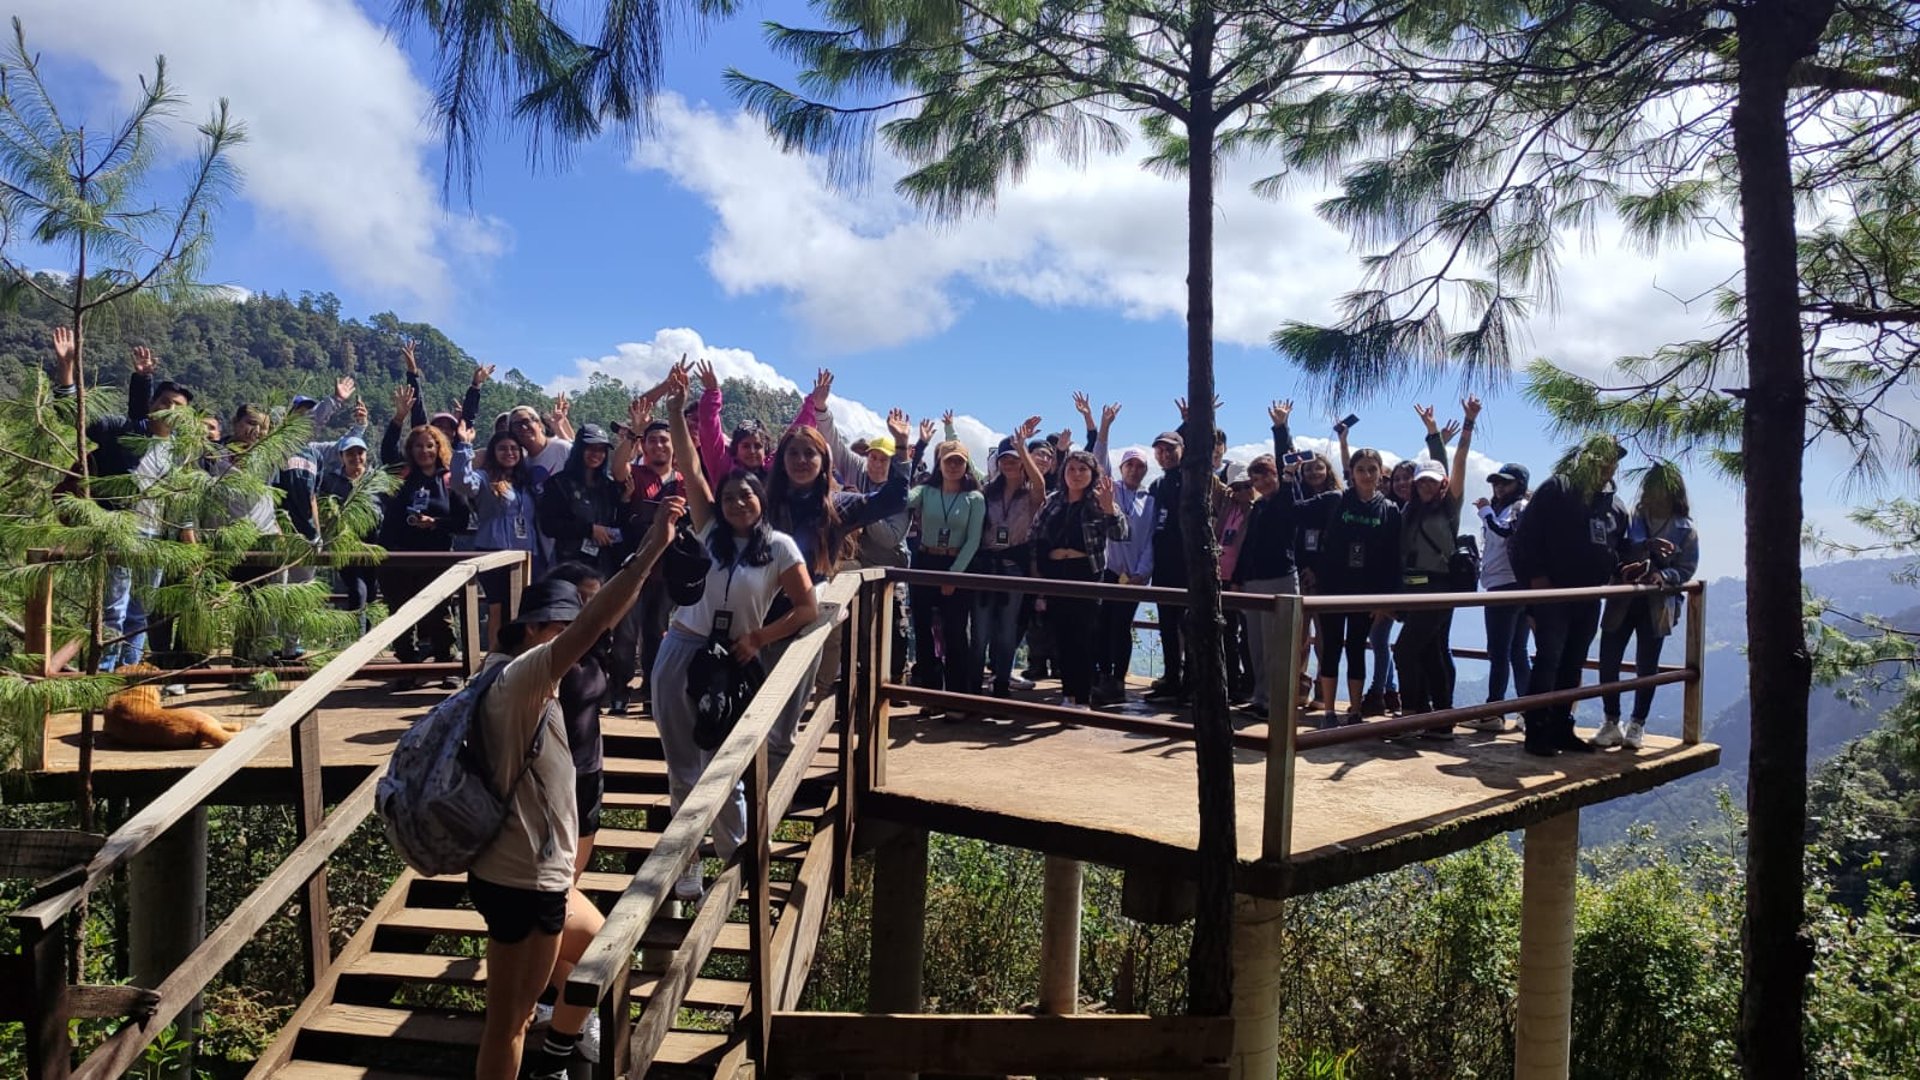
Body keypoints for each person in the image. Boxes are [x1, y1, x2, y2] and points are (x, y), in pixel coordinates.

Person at [467, 503, 679, 1080]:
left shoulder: (526, 678)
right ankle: (545, 1059)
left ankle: (558, 1052)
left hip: (540, 873)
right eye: (559, 628)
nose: (572, 638)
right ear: (532, 631)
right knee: (508, 1022)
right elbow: (598, 622)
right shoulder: (522, 677)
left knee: (601, 954)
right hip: (521, 880)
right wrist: (649, 553)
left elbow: (597, 628)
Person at [659, 380, 818, 901]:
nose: (737, 502)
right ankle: (686, 867)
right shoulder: (707, 527)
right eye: (729, 496)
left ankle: (739, 862)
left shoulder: (779, 547)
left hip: (734, 659)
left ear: (762, 498)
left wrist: (760, 637)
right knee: (682, 762)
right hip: (682, 647)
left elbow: (807, 608)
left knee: (724, 765)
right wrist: (676, 408)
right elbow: (687, 457)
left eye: (747, 494)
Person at [1509, 434, 1637, 757]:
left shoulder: (1616, 507)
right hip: (1553, 593)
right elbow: (1524, 538)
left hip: (1589, 597)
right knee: (1549, 658)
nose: (1606, 465)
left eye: (1612, 459)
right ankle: (1536, 730)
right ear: (1585, 458)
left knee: (1573, 662)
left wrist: (1631, 566)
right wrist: (1536, 580)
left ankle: (1561, 728)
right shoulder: (1557, 489)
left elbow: (1618, 551)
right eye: (1599, 458)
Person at [1593, 464, 1699, 749]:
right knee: (1608, 658)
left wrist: (1664, 575)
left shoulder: (1685, 530)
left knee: (1647, 666)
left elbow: (1686, 568)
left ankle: (1637, 723)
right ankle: (1611, 720)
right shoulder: (1633, 518)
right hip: (1623, 598)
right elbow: (1622, 549)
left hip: (1657, 604)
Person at [1392, 399, 1480, 736]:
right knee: (1429, 652)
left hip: (1439, 589)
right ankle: (1441, 719)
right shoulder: (1409, 512)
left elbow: (1456, 461)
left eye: (1432, 482)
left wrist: (1467, 423)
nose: (1426, 486)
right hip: (1413, 590)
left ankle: (1411, 715)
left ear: (1442, 485)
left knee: (1404, 651)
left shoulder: (1449, 509)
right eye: (1421, 482)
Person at [1303, 447, 1401, 727]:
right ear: (1352, 473)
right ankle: (1330, 711)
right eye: (1361, 469)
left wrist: (1385, 599)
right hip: (1332, 587)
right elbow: (1300, 517)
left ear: (1380, 472)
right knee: (1331, 646)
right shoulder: (1337, 500)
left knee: (1357, 647)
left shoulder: (1389, 510)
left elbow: (1393, 558)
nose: (1367, 475)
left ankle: (1355, 710)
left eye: (1372, 469)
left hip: (1366, 592)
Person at [1031, 451, 1128, 708]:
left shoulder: (1099, 502)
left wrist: (1110, 510)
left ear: (1092, 474)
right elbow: (1035, 535)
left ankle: (1083, 698)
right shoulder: (1053, 501)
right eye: (1071, 469)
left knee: (1083, 638)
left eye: (1082, 470)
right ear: (1063, 473)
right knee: (1061, 636)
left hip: (1085, 572)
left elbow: (1121, 534)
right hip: (1054, 573)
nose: (1076, 474)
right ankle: (1068, 695)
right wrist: (1038, 580)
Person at [378, 423, 470, 681]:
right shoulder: (403, 476)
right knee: (400, 612)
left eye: (430, 445)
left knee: (440, 611)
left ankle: (447, 665)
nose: (424, 451)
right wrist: (396, 420)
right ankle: (407, 668)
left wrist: (435, 524)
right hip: (400, 557)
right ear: (410, 449)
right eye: (418, 446)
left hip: (436, 558)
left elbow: (462, 522)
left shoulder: (450, 480)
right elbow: (387, 452)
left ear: (439, 447)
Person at [611, 400, 685, 714]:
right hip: (633, 566)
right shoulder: (637, 474)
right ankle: (619, 689)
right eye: (652, 440)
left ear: (673, 446)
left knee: (657, 632)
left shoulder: (683, 481)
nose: (658, 445)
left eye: (664, 440)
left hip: (667, 569)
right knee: (626, 632)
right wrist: (634, 433)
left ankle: (652, 690)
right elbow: (616, 469)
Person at [1236, 402, 1309, 720]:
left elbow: (1285, 460)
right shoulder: (1259, 507)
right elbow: (1247, 546)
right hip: (1254, 581)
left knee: (1278, 645)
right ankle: (1261, 696)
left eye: (1265, 477)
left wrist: (1281, 428)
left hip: (1280, 577)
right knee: (1256, 645)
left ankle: (1277, 701)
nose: (1262, 483)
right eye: (1256, 480)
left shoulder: (1287, 499)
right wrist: (1238, 577)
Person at [973, 419, 1048, 698]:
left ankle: (1001, 684)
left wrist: (1023, 448)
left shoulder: (1029, 495)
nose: (1009, 464)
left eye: (1014, 460)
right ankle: (972, 687)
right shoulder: (985, 493)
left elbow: (1040, 486)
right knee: (979, 632)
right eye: (1005, 459)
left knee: (1006, 632)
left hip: (1014, 568)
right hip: (985, 567)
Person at [906, 440, 986, 698]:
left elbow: (973, 540)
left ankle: (955, 696)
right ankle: (930, 694)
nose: (953, 466)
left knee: (955, 632)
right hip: (925, 561)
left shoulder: (975, 498)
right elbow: (903, 500)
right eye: (948, 460)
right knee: (922, 629)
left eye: (958, 461)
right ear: (939, 463)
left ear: (966, 466)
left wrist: (953, 574)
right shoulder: (926, 492)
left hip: (958, 565)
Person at [455, 425, 544, 651]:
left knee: (521, 608)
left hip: (525, 554)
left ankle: (518, 656)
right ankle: (495, 658)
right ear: (493, 452)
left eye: (514, 448)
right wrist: (465, 446)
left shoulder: (525, 482)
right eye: (502, 448)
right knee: (498, 607)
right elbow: (461, 483)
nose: (509, 452)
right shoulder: (484, 479)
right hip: (493, 551)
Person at [1468, 462, 1532, 732]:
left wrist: (1483, 511)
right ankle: (1530, 710)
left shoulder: (1517, 509)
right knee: (1517, 651)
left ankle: (1494, 711)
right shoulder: (1510, 508)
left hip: (1505, 586)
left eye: (1506, 482)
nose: (1499, 487)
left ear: (1520, 484)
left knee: (1499, 652)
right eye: (1496, 482)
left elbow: (1504, 531)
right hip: (1513, 586)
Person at [691, 358, 820, 486]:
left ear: (766, 449)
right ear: (736, 448)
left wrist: (813, 402)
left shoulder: (774, 468)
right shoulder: (723, 467)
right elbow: (709, 430)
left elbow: (796, 433)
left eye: (758, 446)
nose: (752, 451)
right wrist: (712, 392)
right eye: (746, 446)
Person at [1095, 445, 1154, 707]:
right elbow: (1098, 462)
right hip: (1107, 570)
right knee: (1101, 624)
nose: (1134, 470)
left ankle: (1118, 680)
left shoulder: (1150, 500)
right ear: (1121, 468)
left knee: (1121, 626)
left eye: (1140, 466)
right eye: (1130, 464)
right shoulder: (1110, 490)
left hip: (1133, 576)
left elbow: (1151, 540)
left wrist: (1142, 573)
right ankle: (1103, 675)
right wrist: (1103, 428)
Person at [539, 424, 627, 576]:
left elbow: (619, 524)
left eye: (601, 449)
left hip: (604, 565)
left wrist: (625, 500)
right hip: (570, 565)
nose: (596, 454)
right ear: (579, 449)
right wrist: (589, 530)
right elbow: (549, 525)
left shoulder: (609, 486)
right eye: (591, 448)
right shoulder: (558, 484)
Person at [1144, 429, 1191, 699]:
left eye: (1170, 449)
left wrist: (1187, 423)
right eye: (1160, 451)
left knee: (1189, 625)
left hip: (1188, 567)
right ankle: (1171, 677)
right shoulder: (1157, 485)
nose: (1165, 455)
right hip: (1162, 565)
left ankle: (1191, 682)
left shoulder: (1192, 479)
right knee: (1167, 626)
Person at [319, 435, 382, 630]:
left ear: (366, 454)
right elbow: (322, 507)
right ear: (341, 456)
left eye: (360, 452)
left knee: (371, 592)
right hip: (343, 543)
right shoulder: (331, 480)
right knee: (357, 589)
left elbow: (386, 508)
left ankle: (368, 641)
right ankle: (356, 639)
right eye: (350, 453)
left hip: (373, 543)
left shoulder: (376, 479)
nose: (356, 457)